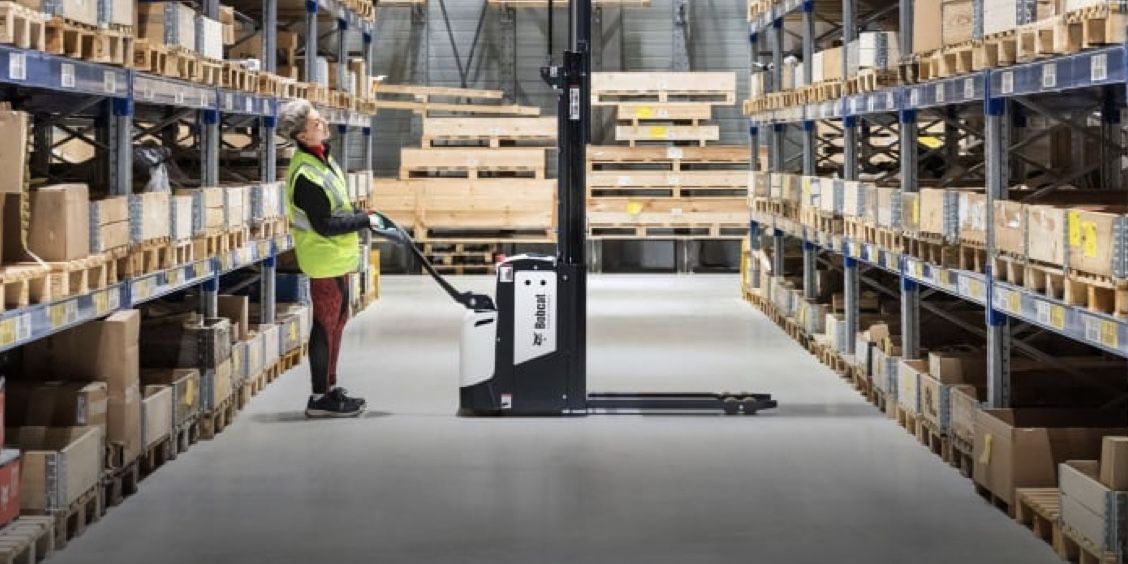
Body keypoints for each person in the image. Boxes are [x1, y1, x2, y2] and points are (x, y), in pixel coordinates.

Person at [278, 99, 382, 418]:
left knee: (338, 322)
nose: (323, 123)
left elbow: (340, 209)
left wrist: (361, 217)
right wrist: (365, 219)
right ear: (301, 136)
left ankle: (330, 388)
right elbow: (325, 224)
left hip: (339, 258)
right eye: (315, 123)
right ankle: (319, 397)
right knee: (325, 325)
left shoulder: (324, 160)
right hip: (323, 258)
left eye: (320, 118)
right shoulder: (307, 174)